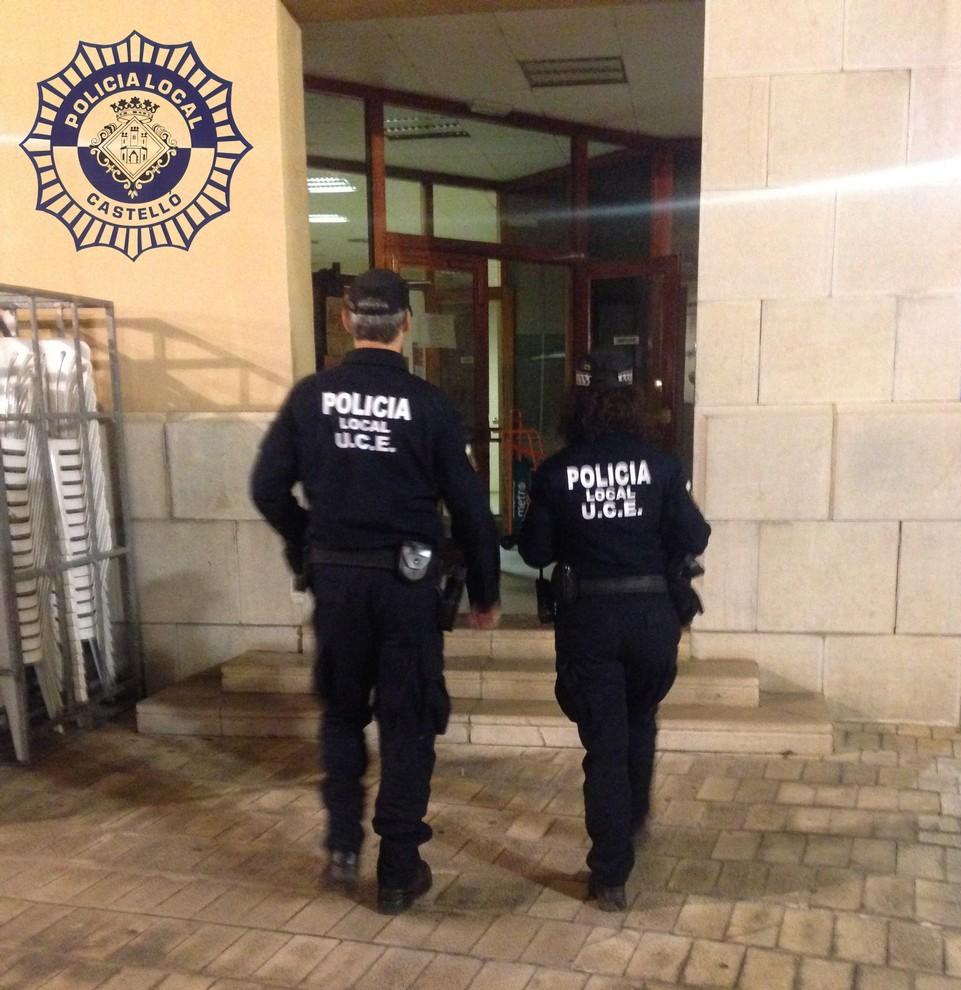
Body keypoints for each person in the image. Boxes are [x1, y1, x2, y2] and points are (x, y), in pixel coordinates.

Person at [250, 268, 501, 915]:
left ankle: (342, 845)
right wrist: (484, 591)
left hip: (337, 583)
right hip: (406, 588)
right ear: (406, 325)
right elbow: (471, 510)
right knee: (407, 720)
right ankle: (397, 870)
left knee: (341, 712)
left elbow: (266, 488)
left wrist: (309, 540)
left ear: (346, 321)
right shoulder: (428, 404)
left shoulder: (312, 397)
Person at [517, 349, 710, 911]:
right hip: (652, 618)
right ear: (633, 402)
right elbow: (694, 536)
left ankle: (610, 874)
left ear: (578, 402)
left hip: (590, 620)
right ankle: (634, 816)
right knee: (640, 718)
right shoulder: (661, 466)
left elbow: (535, 551)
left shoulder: (557, 471)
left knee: (604, 745)